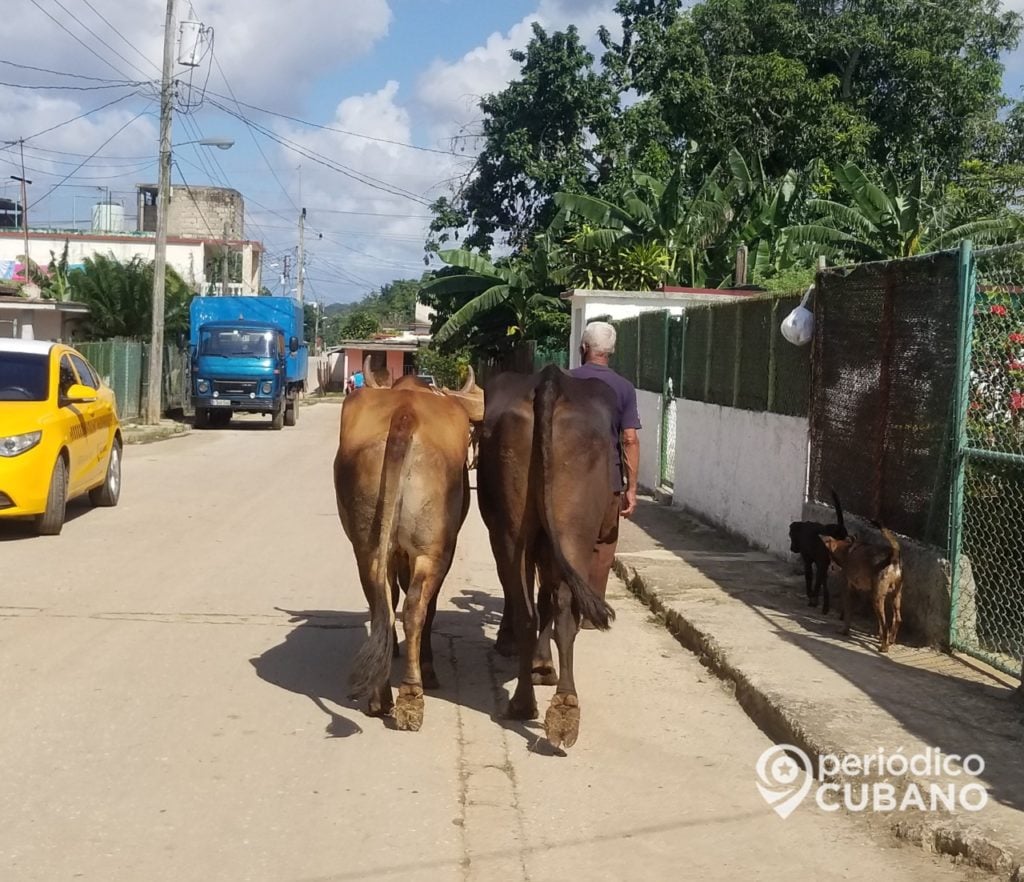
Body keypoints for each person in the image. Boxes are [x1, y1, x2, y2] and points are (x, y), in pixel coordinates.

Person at [571, 321, 641, 611]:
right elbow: (629, 439)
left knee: (567, 540)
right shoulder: (624, 388)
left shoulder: (566, 380)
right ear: (609, 353)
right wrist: (632, 488)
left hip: (568, 479)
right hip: (608, 480)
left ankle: (565, 604)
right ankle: (592, 608)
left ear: (583, 349)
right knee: (602, 545)